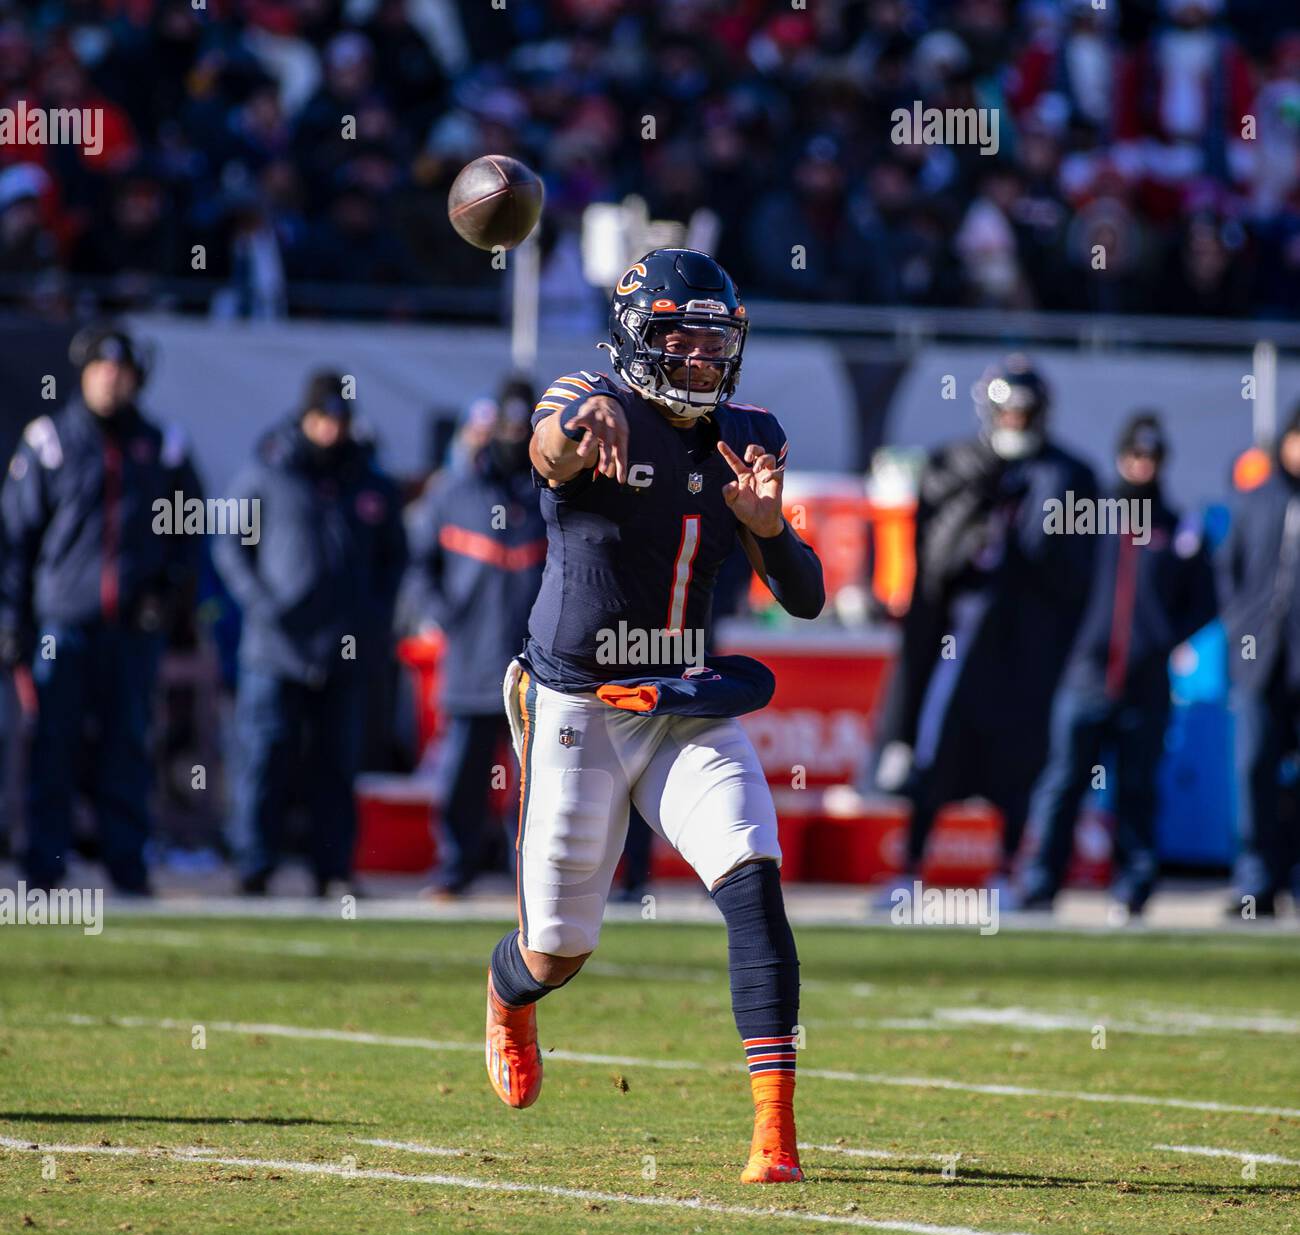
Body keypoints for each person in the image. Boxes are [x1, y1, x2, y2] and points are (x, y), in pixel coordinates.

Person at [484, 248, 825, 1184]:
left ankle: (776, 1137)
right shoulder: (590, 400)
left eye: (717, 342)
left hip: (681, 701)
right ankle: (509, 993)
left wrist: (769, 530)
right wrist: (572, 431)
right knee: (560, 947)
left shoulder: (747, 434)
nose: (703, 359)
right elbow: (548, 447)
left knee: (754, 877)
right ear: (638, 335)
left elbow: (805, 598)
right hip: (578, 702)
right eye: (682, 338)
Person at [874, 356, 1097, 882]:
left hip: (1028, 641)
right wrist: (977, 519)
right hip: (960, 635)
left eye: (1026, 411)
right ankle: (911, 864)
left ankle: (1010, 866)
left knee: (1022, 757)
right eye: (1008, 410)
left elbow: (1078, 571)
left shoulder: (1070, 474)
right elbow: (931, 559)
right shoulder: (954, 463)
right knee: (936, 748)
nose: (1016, 421)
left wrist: (1032, 537)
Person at [0, 324, 199, 893]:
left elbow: (191, 532)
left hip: (132, 630)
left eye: (122, 372)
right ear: (84, 374)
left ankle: (127, 870)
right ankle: (44, 870)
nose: (112, 381)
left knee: (128, 751)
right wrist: (13, 620)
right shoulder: (50, 441)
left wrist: (167, 596)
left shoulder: (162, 446)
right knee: (52, 747)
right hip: (60, 626)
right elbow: (15, 538)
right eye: (102, 370)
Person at [214, 371, 406, 898]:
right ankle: (254, 865)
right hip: (277, 649)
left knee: (336, 766)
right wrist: (260, 603)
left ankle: (333, 869)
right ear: (304, 418)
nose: (330, 430)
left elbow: (395, 556)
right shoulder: (268, 469)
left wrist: (373, 614)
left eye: (339, 420)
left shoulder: (369, 480)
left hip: (345, 649)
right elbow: (229, 544)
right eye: (321, 419)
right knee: (265, 759)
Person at [1019, 414, 1216, 921]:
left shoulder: (1177, 526)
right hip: (1084, 678)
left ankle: (1133, 892)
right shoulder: (1090, 518)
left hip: (1145, 684)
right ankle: (1039, 886)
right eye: (1135, 455)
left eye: (1150, 458)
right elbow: (1048, 575)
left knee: (1138, 789)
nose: (1141, 465)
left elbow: (1207, 598)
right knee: (1063, 784)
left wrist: (1163, 641)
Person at [404, 378, 546, 896]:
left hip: (537, 663)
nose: (511, 437)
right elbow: (418, 564)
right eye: (505, 427)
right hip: (471, 656)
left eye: (520, 427)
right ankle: (454, 869)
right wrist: (443, 614)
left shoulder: (550, 494)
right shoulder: (454, 493)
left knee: (538, 781)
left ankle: (529, 881)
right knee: (463, 773)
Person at [1216, 403, 1300, 917]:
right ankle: (1255, 883)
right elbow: (1229, 573)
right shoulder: (1257, 501)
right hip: (1258, 664)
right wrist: (1238, 632)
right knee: (1253, 770)